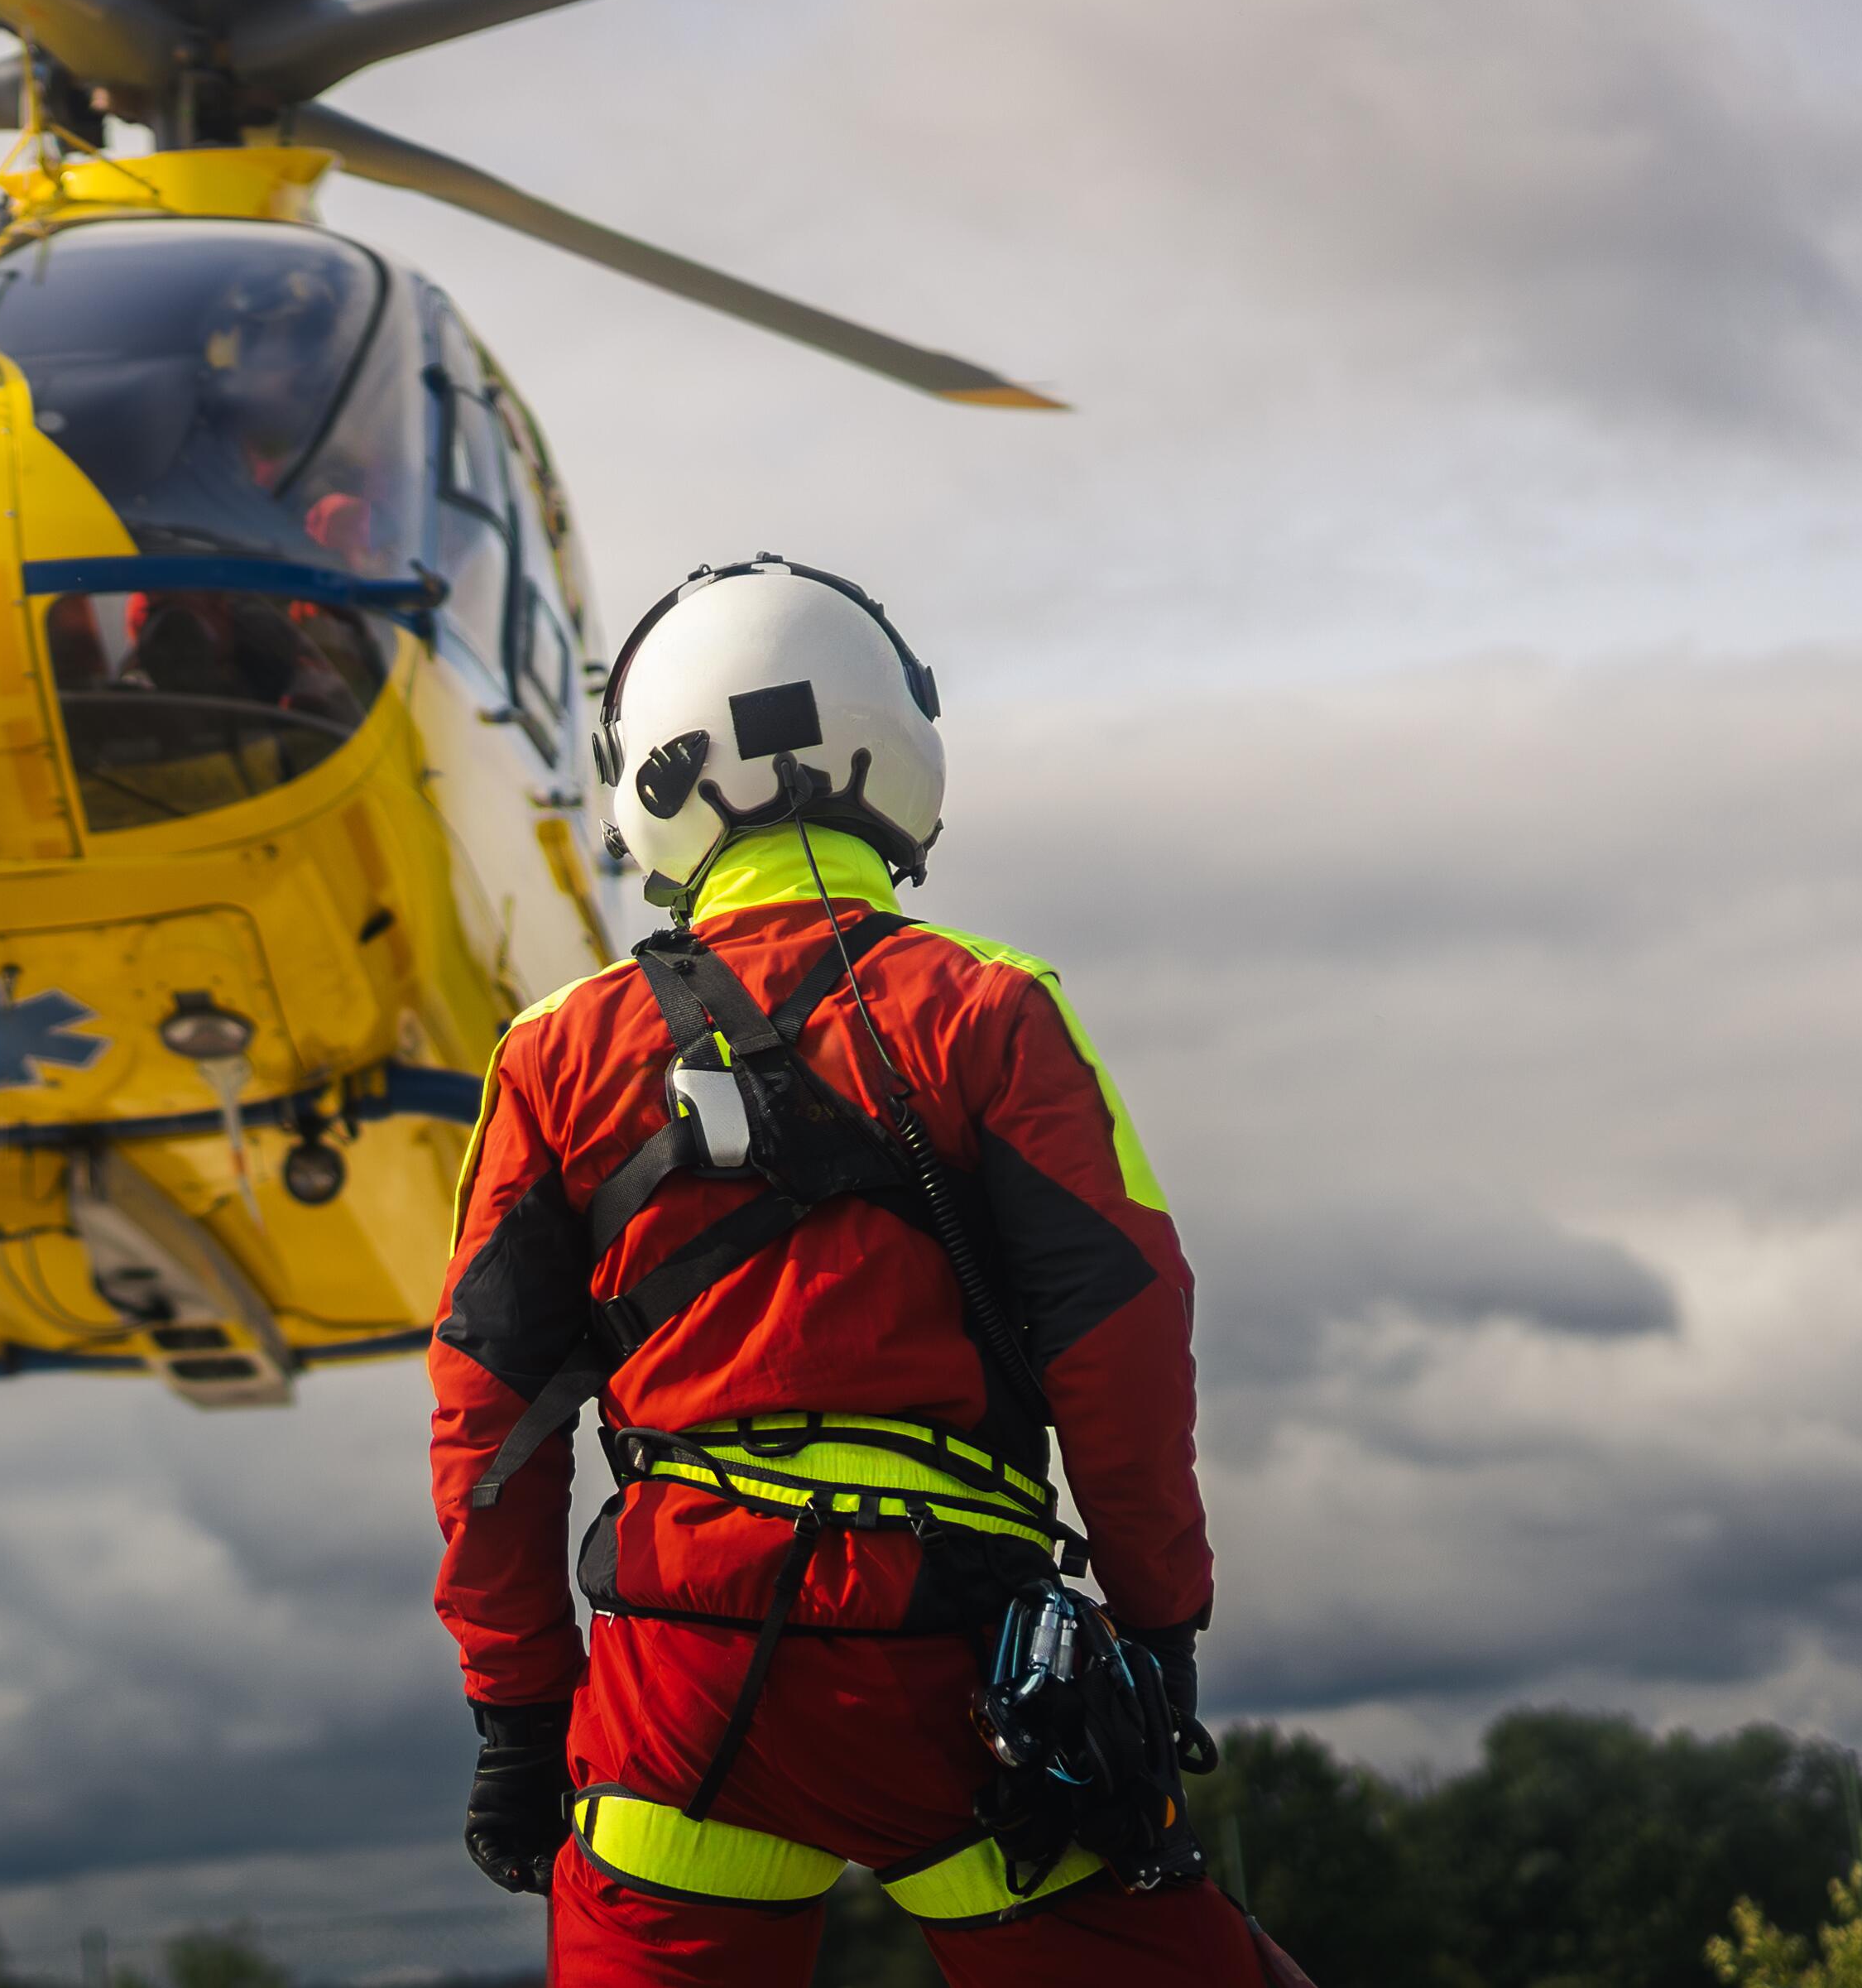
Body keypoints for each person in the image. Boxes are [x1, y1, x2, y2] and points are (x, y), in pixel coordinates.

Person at [427, 557, 1280, 1986]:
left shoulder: (552, 1050)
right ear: (897, 746)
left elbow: (491, 1418)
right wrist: (1156, 1626)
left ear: (648, 781)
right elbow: (1124, 1328)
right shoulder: (996, 1005)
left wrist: (520, 1710)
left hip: (677, 1688)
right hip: (964, 1672)